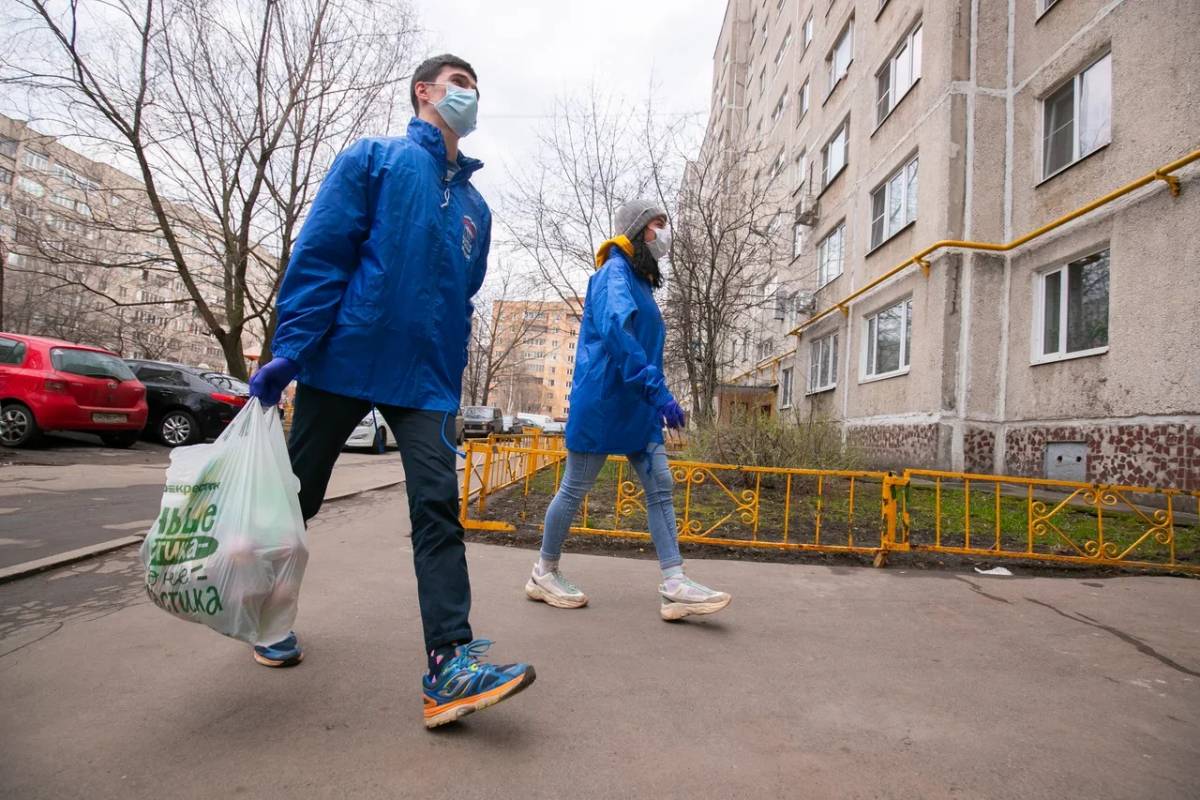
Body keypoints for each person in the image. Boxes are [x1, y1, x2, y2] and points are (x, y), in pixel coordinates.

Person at [248, 53, 535, 728]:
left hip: (426, 382)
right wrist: (290, 348)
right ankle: (261, 612)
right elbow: (322, 255)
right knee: (297, 498)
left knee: (437, 508)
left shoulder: (476, 208)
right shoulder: (373, 160)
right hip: (345, 357)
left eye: (476, 84)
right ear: (424, 92)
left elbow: (461, 297)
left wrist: (452, 369)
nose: (470, 94)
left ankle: (450, 665)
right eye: (460, 83)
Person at [524, 200, 732, 621]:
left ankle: (674, 584)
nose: (665, 233)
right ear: (639, 230)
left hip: (637, 404)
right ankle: (543, 572)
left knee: (660, 487)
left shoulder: (640, 281)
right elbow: (620, 337)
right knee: (575, 488)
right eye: (659, 224)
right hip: (603, 401)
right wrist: (660, 394)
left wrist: (655, 398)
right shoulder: (612, 274)